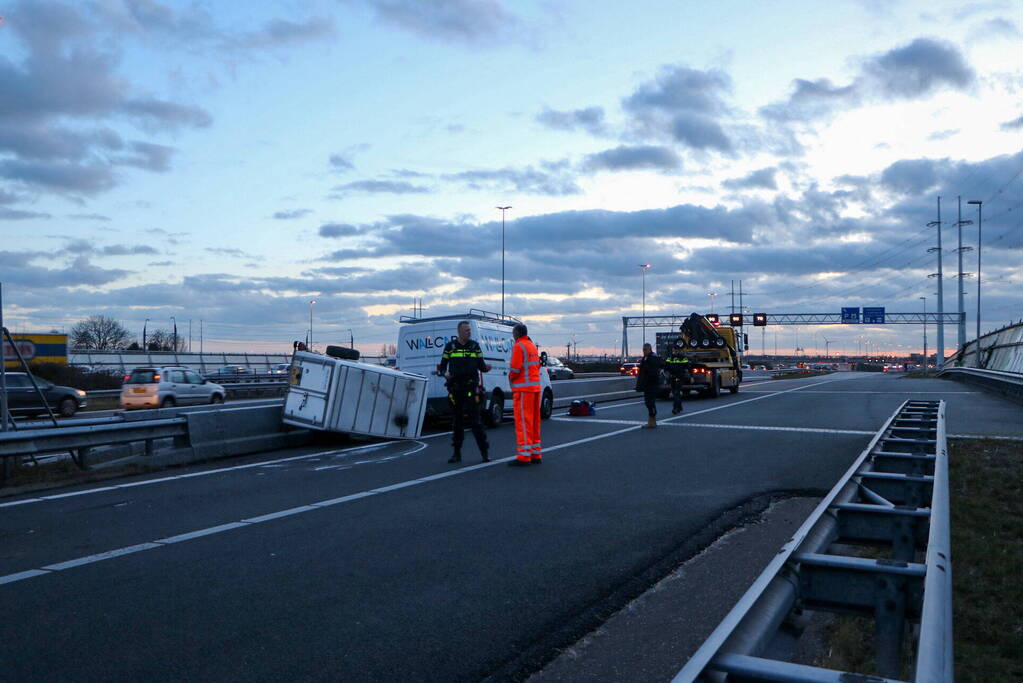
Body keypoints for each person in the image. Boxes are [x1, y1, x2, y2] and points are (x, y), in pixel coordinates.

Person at [438, 321, 492, 464]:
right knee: (457, 422)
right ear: (460, 332)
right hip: (456, 389)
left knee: (476, 422)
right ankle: (456, 454)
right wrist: (444, 374)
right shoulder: (450, 347)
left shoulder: (475, 346)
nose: (469, 332)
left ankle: (484, 453)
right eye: (466, 330)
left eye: (469, 330)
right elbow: (442, 367)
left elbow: (481, 365)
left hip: (471, 388)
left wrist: (487, 368)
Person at [508, 323, 542, 466]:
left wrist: (510, 378)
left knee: (523, 422)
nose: (513, 335)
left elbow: (515, 369)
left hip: (523, 390)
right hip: (535, 388)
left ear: (517, 333)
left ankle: (524, 456)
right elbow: (536, 365)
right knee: (534, 422)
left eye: (513, 333)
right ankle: (535, 453)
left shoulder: (518, 346)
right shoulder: (531, 345)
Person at [635, 342, 664, 428]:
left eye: (645, 350)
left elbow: (654, 370)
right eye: (643, 350)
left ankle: (652, 422)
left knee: (650, 402)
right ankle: (651, 421)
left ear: (650, 349)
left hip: (652, 383)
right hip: (647, 383)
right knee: (648, 402)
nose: (644, 351)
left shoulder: (653, 358)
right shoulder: (646, 358)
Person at [665, 343, 692, 415]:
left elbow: (688, 367)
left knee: (677, 392)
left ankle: (675, 408)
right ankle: (680, 407)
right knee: (674, 393)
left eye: (675, 350)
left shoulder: (682, 357)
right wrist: (663, 370)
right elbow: (666, 366)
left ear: (678, 350)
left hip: (679, 377)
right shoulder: (670, 357)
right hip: (672, 377)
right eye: (673, 351)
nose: (674, 352)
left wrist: (691, 376)